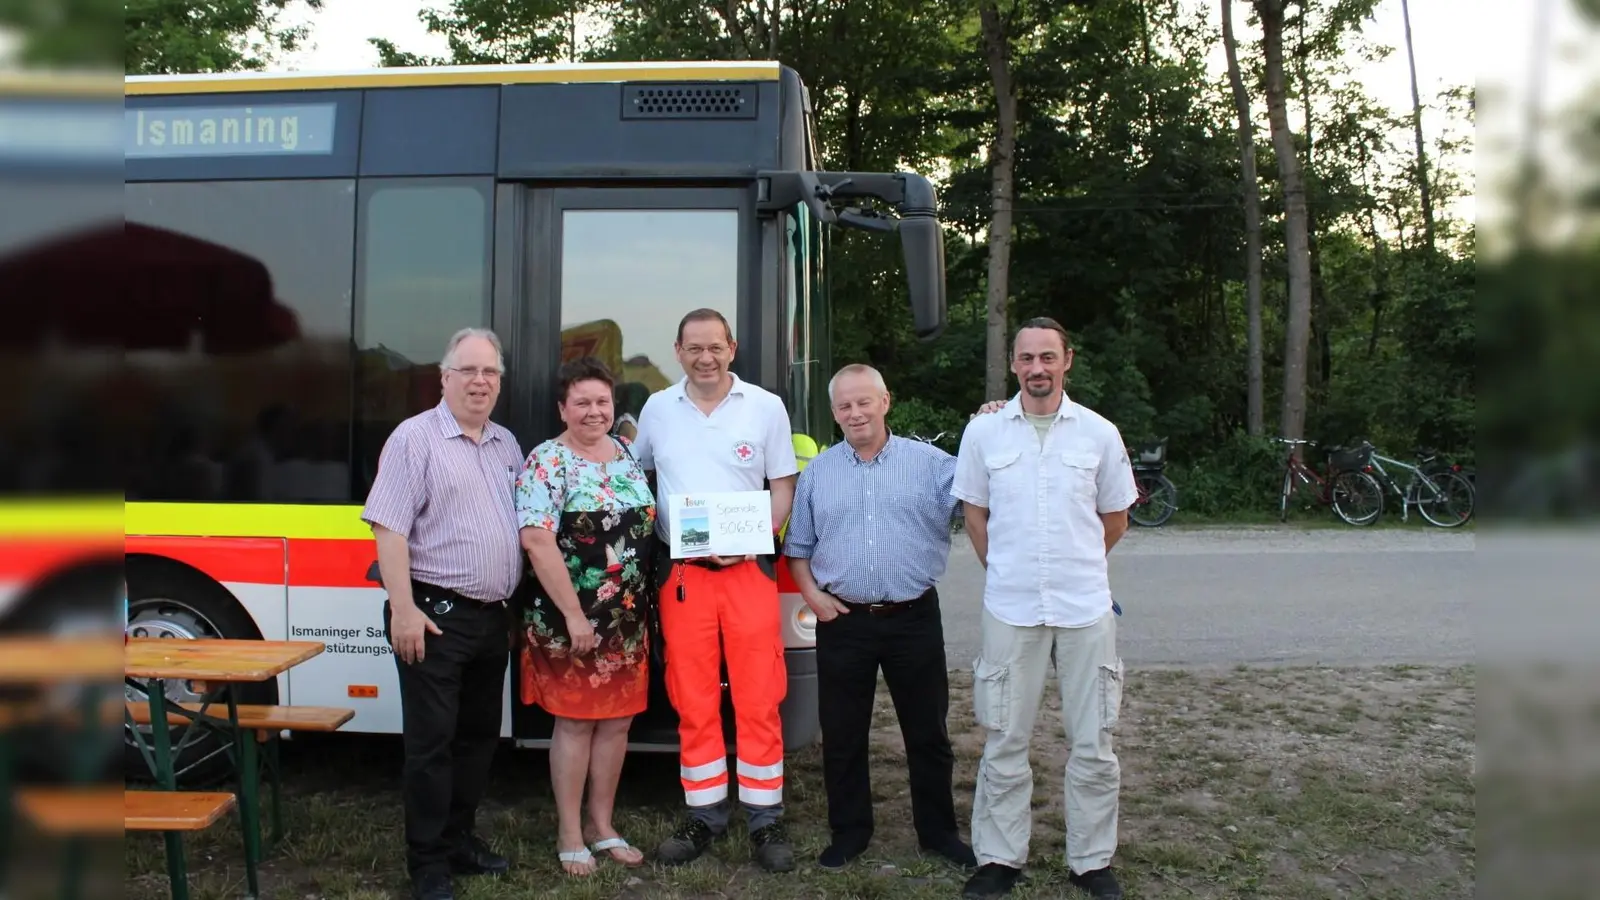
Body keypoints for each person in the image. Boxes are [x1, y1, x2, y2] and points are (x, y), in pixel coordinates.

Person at [951, 317, 1139, 900]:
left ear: (1067, 360)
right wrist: (1010, 569)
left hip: (1085, 608)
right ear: (1013, 364)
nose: (1038, 368)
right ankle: (999, 859)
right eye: (1027, 358)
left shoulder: (1099, 434)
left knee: (1094, 741)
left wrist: (1072, 566)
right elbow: (975, 517)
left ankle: (1091, 861)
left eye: (1048, 357)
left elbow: (1115, 517)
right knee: (1005, 738)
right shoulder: (983, 434)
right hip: (1010, 608)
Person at [783, 363, 979, 872]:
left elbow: (987, 487)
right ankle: (850, 831)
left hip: (913, 617)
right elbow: (797, 547)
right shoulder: (818, 473)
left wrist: (994, 422)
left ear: (885, 401)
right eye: (844, 406)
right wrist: (812, 596)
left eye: (864, 402)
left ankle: (938, 832)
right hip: (842, 619)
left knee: (928, 732)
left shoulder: (934, 465)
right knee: (844, 733)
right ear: (834, 413)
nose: (855, 413)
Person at [630, 307, 800, 873]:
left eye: (716, 347)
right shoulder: (658, 408)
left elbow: (783, 486)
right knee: (693, 698)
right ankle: (703, 815)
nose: (706, 357)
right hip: (683, 579)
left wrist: (756, 538)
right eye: (694, 348)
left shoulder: (765, 407)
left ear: (732, 347)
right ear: (678, 352)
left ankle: (765, 818)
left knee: (759, 697)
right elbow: (635, 476)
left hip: (749, 573)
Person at [362, 328, 523, 900]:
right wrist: (402, 610)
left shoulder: (506, 444)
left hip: (491, 619)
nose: (480, 382)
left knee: (477, 741)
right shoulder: (415, 439)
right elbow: (389, 527)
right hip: (433, 617)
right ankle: (427, 863)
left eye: (490, 373)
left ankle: (459, 839)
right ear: (444, 377)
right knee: (431, 746)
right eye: (469, 371)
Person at [513, 357, 656, 876]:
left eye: (602, 401)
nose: (594, 412)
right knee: (575, 723)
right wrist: (574, 616)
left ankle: (603, 826)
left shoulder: (623, 452)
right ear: (562, 409)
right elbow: (535, 539)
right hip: (571, 619)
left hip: (626, 621)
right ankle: (569, 832)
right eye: (582, 402)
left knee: (617, 724)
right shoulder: (546, 462)